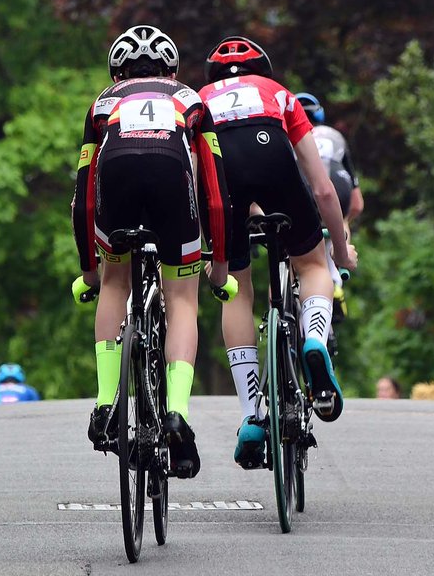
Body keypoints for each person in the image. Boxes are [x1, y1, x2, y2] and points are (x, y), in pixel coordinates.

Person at [71, 24, 235, 477]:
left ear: (116, 70)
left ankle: (106, 403)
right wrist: (219, 263)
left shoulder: (103, 102)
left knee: (114, 279)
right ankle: (177, 411)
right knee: (181, 299)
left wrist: (89, 267)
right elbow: (217, 190)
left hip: (117, 176)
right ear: (172, 69)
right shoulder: (190, 99)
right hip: (171, 177)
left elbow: (84, 191)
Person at [198, 36, 359, 469]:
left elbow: (192, 182)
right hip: (273, 156)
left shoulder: (199, 101)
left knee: (237, 290)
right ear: (261, 70)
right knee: (311, 266)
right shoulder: (280, 95)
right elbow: (324, 188)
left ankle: (252, 415)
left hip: (222, 177)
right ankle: (312, 337)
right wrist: (340, 251)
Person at [296, 91, 362, 322]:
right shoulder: (335, 136)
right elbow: (357, 203)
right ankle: (336, 279)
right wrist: (342, 221)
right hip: (338, 181)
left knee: (287, 236)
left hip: (302, 182)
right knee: (339, 218)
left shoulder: (287, 131)